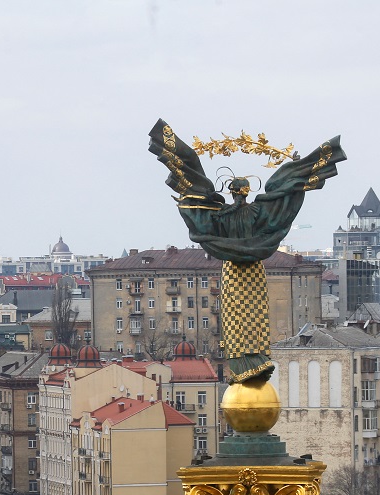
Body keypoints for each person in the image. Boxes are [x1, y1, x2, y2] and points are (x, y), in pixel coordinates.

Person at [148, 119, 346, 382]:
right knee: (254, 315)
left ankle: (242, 366)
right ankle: (255, 362)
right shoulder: (261, 212)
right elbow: (283, 201)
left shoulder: (220, 217)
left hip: (232, 273)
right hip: (254, 271)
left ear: (231, 192)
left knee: (234, 318)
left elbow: (197, 208)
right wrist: (295, 173)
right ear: (246, 190)